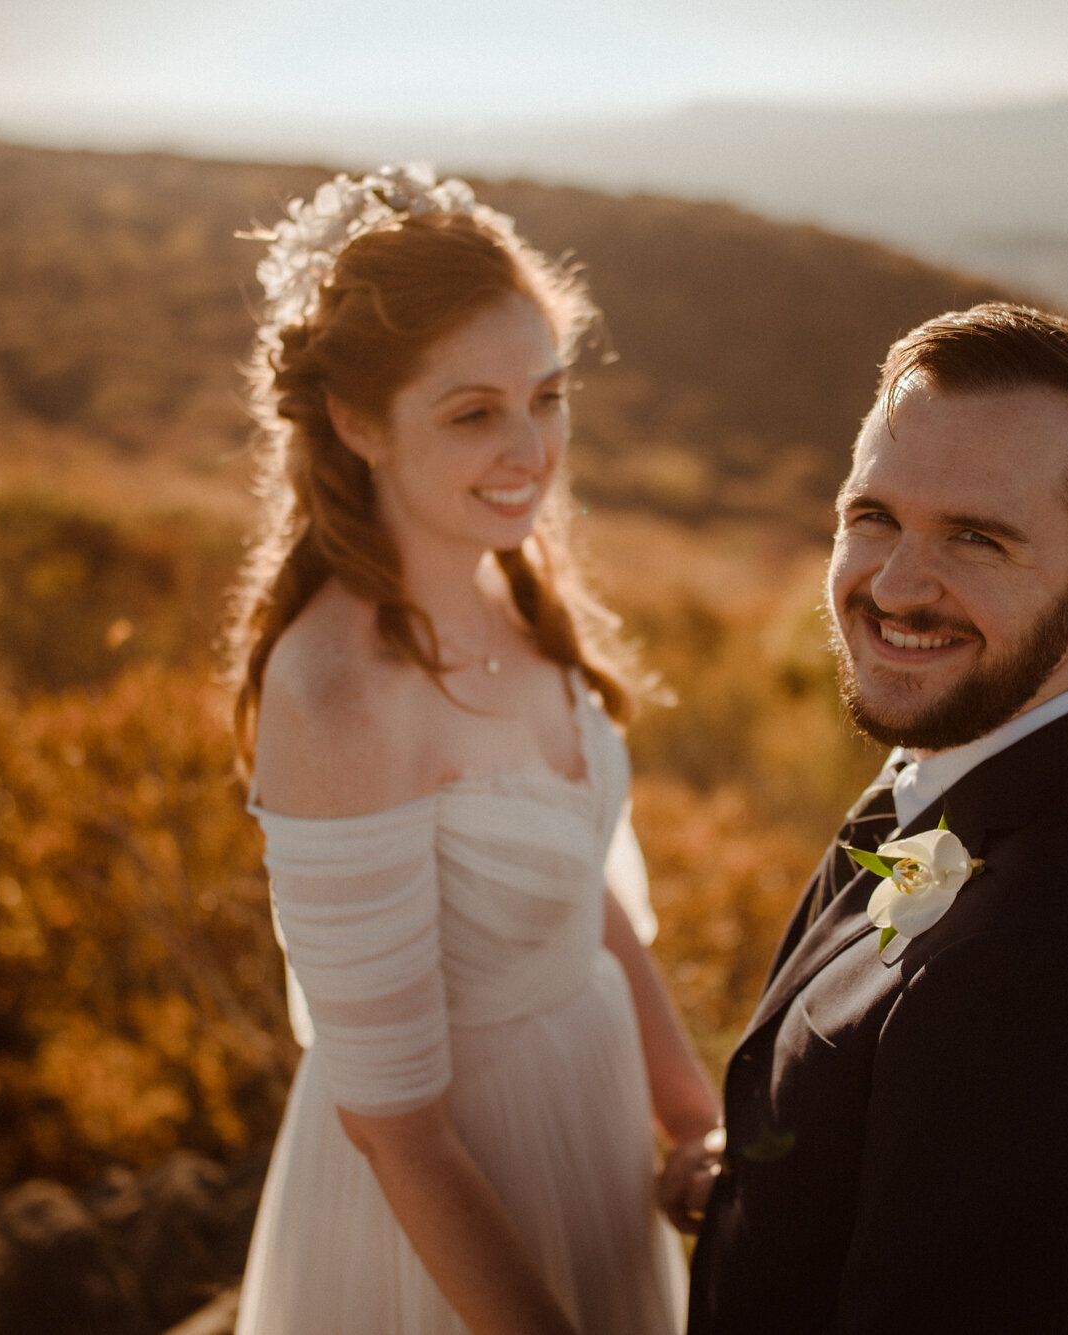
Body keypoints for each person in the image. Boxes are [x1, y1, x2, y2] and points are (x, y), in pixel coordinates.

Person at [668, 303, 1068, 1333]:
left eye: (976, 537)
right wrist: (769, 1188)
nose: (894, 586)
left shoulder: (1045, 979)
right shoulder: (978, 763)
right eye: (871, 516)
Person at [226, 166, 718, 1335]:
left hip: (591, 1135)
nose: (529, 451)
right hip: (441, 1226)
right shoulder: (342, 696)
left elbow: (584, 891)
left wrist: (693, 1120)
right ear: (356, 423)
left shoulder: (518, 586)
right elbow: (395, 1131)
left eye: (545, 396)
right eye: (471, 412)